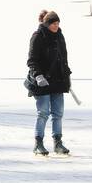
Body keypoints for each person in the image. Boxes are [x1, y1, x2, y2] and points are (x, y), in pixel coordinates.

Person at [27, 10, 72, 156]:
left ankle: (58, 143)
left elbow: (63, 58)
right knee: (43, 113)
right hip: (42, 82)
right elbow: (32, 60)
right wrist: (38, 76)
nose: (56, 26)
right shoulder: (38, 36)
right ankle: (38, 144)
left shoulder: (59, 36)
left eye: (58, 23)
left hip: (58, 81)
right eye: (53, 23)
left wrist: (67, 77)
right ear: (46, 23)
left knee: (58, 113)